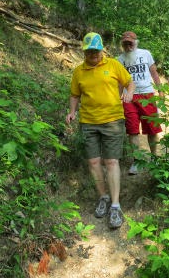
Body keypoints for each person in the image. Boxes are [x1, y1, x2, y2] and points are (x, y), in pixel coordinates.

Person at [66, 32, 135, 229]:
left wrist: (129, 93)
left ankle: (115, 205)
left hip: (112, 120)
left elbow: (129, 82)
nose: (93, 55)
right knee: (94, 162)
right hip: (88, 122)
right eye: (89, 52)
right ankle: (103, 197)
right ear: (84, 52)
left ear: (102, 49)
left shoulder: (113, 64)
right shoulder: (79, 71)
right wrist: (72, 112)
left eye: (96, 51)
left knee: (111, 161)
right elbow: (74, 94)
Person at [117, 31, 163, 175]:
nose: (128, 45)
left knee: (152, 128)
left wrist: (160, 91)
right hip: (128, 98)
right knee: (132, 129)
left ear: (135, 42)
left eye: (130, 42)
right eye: (125, 43)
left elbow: (154, 73)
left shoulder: (145, 54)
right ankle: (137, 161)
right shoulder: (119, 60)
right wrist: (117, 97)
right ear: (122, 44)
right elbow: (119, 81)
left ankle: (155, 158)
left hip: (147, 94)